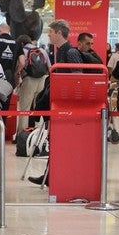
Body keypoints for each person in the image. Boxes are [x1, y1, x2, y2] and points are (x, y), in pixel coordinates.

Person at [28, 19, 84, 186]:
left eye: (51, 32)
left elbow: (78, 78)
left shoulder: (70, 52)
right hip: (58, 102)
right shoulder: (59, 51)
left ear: (59, 33)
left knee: (60, 141)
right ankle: (49, 175)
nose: (49, 35)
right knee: (54, 140)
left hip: (66, 104)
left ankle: (52, 176)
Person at [15, 34, 51, 135]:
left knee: (24, 108)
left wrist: (17, 75)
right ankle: (39, 134)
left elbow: (21, 65)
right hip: (42, 80)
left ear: (21, 43)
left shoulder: (23, 51)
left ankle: (22, 135)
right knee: (38, 107)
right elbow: (50, 67)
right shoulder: (42, 51)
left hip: (29, 80)